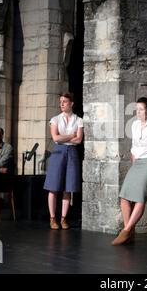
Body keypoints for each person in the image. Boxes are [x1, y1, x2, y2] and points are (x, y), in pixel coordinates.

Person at [111, 97, 147, 245]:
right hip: (138, 162)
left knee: (139, 198)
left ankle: (126, 231)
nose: (138, 112)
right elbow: (134, 147)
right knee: (124, 197)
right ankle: (131, 232)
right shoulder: (135, 124)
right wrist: (134, 165)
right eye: (137, 109)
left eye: (141, 109)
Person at [43, 92, 83, 230]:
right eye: (61, 101)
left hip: (71, 152)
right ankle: (52, 218)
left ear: (71, 103)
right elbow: (55, 138)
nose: (62, 104)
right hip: (58, 151)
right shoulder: (55, 119)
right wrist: (71, 135)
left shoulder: (78, 120)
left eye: (65, 101)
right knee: (53, 187)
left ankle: (64, 218)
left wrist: (65, 137)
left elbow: (78, 140)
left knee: (68, 187)